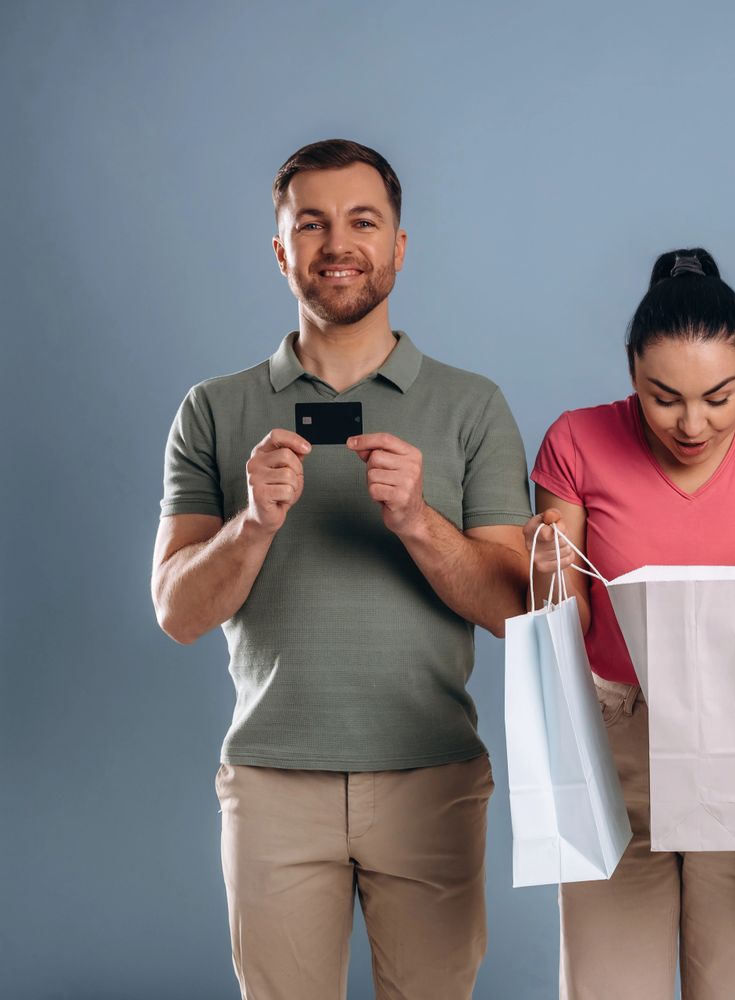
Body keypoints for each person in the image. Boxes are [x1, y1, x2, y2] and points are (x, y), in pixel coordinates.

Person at [151, 139, 532, 1000]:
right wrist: (252, 525)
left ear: (400, 244)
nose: (338, 243)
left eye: (363, 220)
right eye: (311, 223)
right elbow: (176, 611)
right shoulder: (213, 410)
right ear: (281, 250)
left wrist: (418, 522)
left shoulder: (474, 407)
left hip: (431, 773)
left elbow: (519, 612)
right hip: (272, 779)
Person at [523, 248, 735, 1000]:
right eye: (663, 397)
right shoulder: (577, 440)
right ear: (630, 374)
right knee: (607, 987)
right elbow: (564, 618)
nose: (692, 423)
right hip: (618, 734)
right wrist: (547, 575)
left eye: (719, 395)